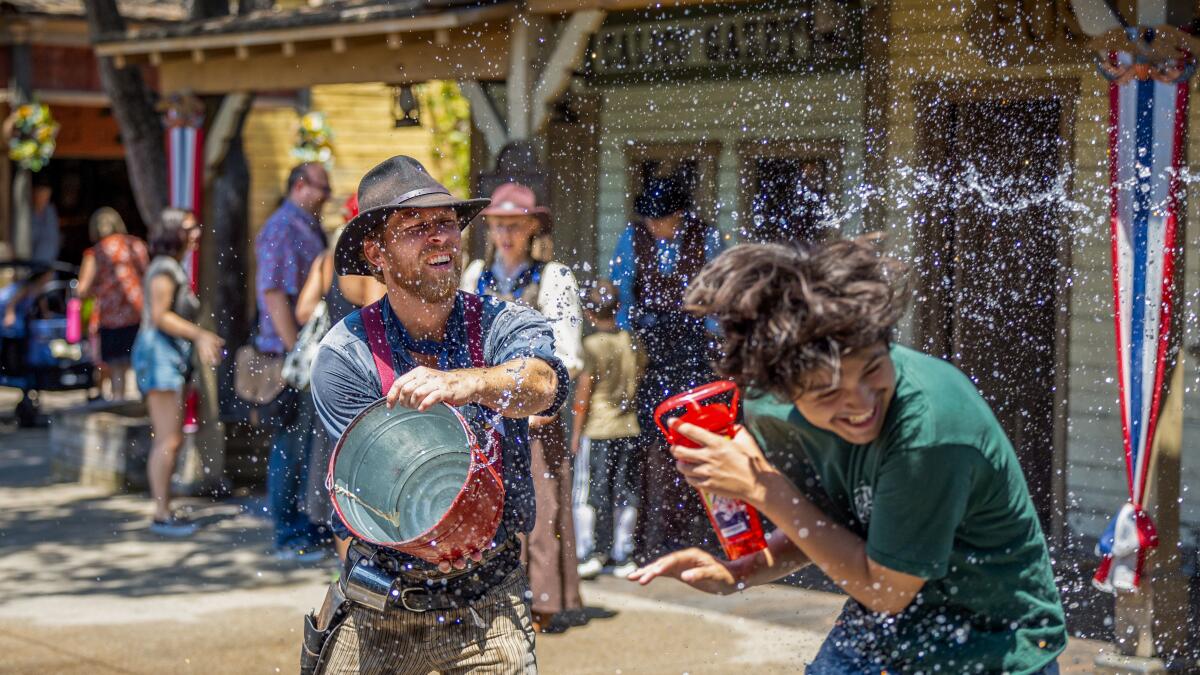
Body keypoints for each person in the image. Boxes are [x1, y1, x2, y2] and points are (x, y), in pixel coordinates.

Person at [630, 240, 1068, 674]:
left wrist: (762, 488)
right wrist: (739, 572)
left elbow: (886, 590)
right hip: (884, 625)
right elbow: (827, 525)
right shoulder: (770, 406)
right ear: (785, 388)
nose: (860, 404)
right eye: (828, 391)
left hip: (990, 644)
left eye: (874, 368)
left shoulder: (929, 435)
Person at [305, 156, 567, 673]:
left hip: (488, 607)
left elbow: (543, 384)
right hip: (380, 604)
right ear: (375, 253)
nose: (440, 237)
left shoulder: (503, 323)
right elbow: (372, 497)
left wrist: (469, 383)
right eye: (416, 227)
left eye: (446, 222)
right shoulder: (347, 354)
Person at [461, 182, 584, 633]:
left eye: (514, 224)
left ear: (532, 226)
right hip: (488, 413)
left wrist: (538, 398)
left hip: (538, 413)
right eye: (498, 224)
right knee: (487, 503)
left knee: (544, 505)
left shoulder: (555, 277)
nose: (506, 233)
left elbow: (569, 352)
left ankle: (546, 600)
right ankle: (492, 595)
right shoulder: (475, 275)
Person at [609, 173, 723, 563]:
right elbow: (622, 294)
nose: (654, 226)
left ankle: (696, 536)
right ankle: (650, 539)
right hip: (651, 353)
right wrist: (629, 342)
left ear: (680, 214)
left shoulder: (706, 238)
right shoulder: (634, 237)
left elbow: (717, 299)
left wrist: (712, 345)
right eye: (650, 218)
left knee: (694, 440)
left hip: (692, 352)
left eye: (662, 218)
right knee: (651, 448)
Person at [295, 194, 386, 561]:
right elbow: (380, 323)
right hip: (363, 377)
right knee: (359, 478)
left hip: (329, 375)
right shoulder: (367, 269)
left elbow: (303, 310)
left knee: (333, 474)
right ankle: (360, 569)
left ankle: (344, 567)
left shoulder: (323, 261)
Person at [256, 162, 331, 561]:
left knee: (301, 444)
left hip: (296, 355)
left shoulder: (304, 225)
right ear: (300, 185)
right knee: (288, 445)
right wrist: (295, 352)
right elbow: (273, 293)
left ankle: (301, 524)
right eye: (322, 187)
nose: (327, 196)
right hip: (287, 357)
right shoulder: (284, 227)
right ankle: (287, 532)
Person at [132, 209, 223, 537]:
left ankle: (165, 508)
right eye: (188, 227)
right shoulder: (164, 268)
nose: (196, 231)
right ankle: (161, 514)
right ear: (172, 232)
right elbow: (160, 316)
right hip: (159, 359)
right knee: (168, 440)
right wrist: (199, 335)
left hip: (168, 360)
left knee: (169, 440)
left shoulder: (171, 267)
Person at [571, 281, 641, 580]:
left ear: (588, 313)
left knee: (586, 492)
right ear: (619, 308)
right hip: (628, 426)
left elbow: (583, 395)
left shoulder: (590, 346)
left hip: (598, 428)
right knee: (625, 491)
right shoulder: (631, 341)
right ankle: (622, 554)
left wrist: (575, 435)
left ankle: (586, 553)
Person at [76, 207, 149, 400]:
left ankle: (119, 404)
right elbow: (148, 276)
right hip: (137, 312)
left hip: (111, 317)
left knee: (116, 366)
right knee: (134, 361)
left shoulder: (96, 253)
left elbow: (82, 289)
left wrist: (94, 293)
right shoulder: (136, 245)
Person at [30, 183, 60, 265]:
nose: (45, 200)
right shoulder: (27, 214)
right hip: (30, 264)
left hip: (49, 263)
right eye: (42, 196)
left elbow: (54, 239)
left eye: (47, 197)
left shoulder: (50, 212)